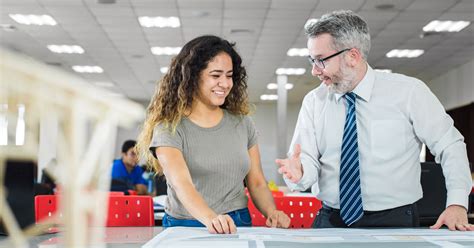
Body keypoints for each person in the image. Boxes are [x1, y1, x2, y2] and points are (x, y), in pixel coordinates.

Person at [276, 10, 473, 231]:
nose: (314, 71)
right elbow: (308, 161)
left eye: (321, 60)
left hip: (395, 221)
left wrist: (457, 203)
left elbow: (450, 145)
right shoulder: (314, 101)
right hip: (331, 220)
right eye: (311, 60)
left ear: (353, 56)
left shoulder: (409, 92)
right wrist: (300, 173)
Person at [136, 35, 290, 234]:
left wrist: (272, 211)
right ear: (192, 76)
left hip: (237, 221)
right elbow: (181, 183)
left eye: (229, 75)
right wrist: (212, 218)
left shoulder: (243, 123)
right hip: (187, 225)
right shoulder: (169, 127)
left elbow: (257, 181)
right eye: (216, 75)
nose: (225, 84)